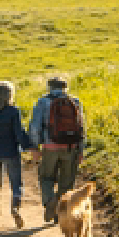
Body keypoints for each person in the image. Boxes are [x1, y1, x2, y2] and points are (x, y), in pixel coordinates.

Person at [29, 76, 86, 224]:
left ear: (49, 87)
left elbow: (35, 127)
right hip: (71, 147)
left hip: (50, 147)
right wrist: (80, 151)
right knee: (67, 181)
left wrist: (35, 147)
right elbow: (81, 128)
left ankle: (50, 201)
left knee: (46, 177)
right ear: (65, 87)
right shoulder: (75, 102)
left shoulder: (42, 102)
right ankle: (61, 213)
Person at [0, 81, 32, 229]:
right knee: (16, 183)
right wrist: (29, 146)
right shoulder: (13, 111)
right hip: (11, 152)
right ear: (9, 95)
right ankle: (15, 208)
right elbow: (19, 133)